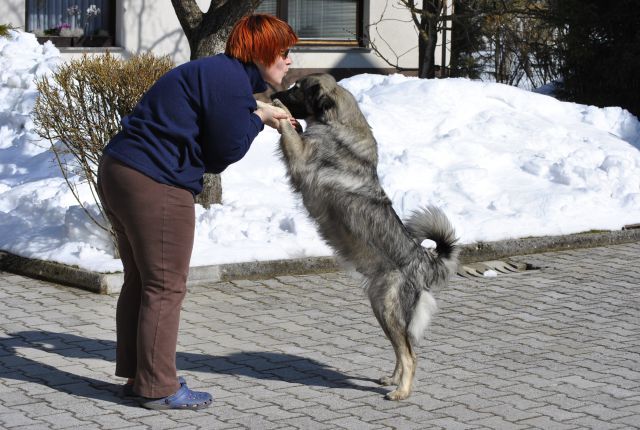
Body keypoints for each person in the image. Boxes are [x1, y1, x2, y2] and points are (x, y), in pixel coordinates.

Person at [96, 14, 298, 410]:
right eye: (284, 52)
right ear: (260, 52)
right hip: (156, 181)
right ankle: (158, 387)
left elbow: (222, 119)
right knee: (166, 285)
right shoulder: (230, 83)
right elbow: (224, 153)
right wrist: (258, 116)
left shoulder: (220, 74)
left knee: (142, 280)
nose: (289, 61)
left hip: (121, 170)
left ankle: (142, 377)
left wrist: (258, 109)